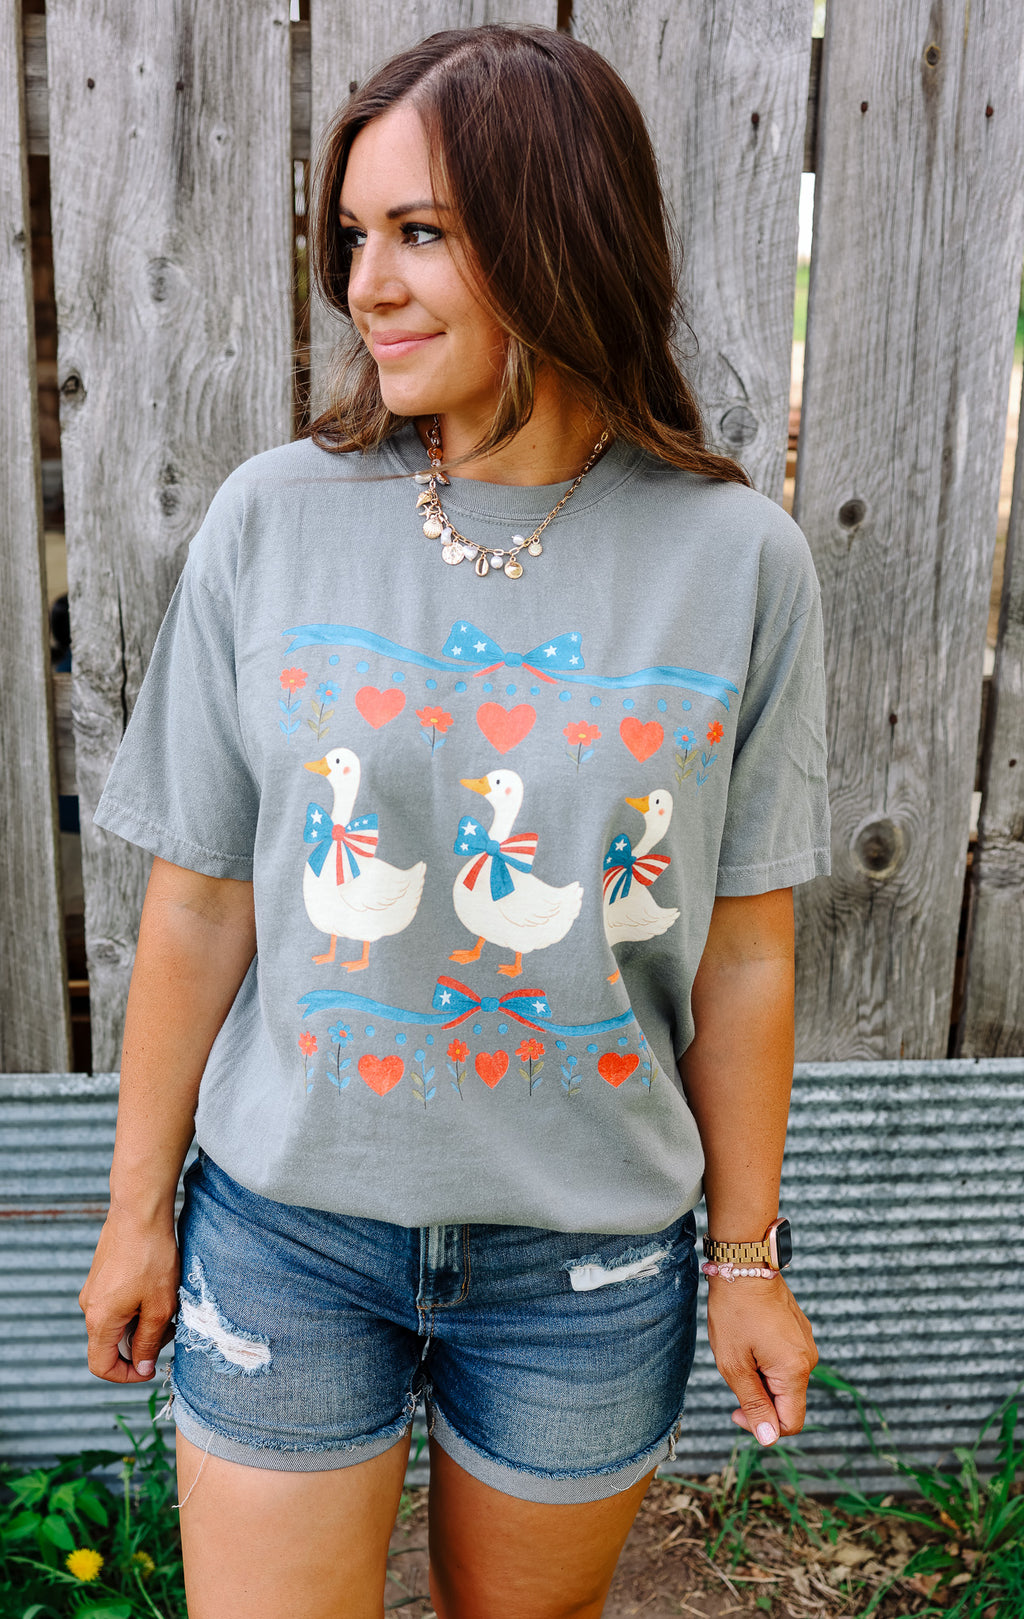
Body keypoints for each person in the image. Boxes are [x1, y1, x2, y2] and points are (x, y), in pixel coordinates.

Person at [79, 24, 830, 1619]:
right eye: (355, 237)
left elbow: (745, 949)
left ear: (562, 235)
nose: (368, 286)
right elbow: (200, 899)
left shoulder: (737, 562)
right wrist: (137, 1211)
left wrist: (747, 1259)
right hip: (288, 1232)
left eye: (420, 232)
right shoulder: (274, 521)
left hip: (587, 1260)